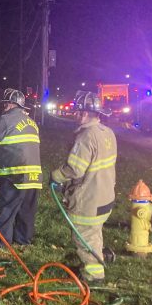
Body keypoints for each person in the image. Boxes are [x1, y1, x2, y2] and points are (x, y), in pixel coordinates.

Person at [51, 91, 117, 283]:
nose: (75, 115)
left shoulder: (86, 136)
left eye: (78, 112)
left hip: (89, 198)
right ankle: (96, 260)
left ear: (85, 113)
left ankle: (94, 274)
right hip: (106, 196)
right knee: (94, 232)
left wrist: (55, 176)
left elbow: (75, 169)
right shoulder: (107, 132)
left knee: (84, 236)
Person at [0, 88, 41, 248]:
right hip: (34, 176)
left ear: (10, 104)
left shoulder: (5, 120)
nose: (4, 106)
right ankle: (23, 242)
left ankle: (2, 243)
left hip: (15, 175)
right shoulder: (32, 123)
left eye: (5, 103)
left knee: (6, 210)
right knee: (26, 212)